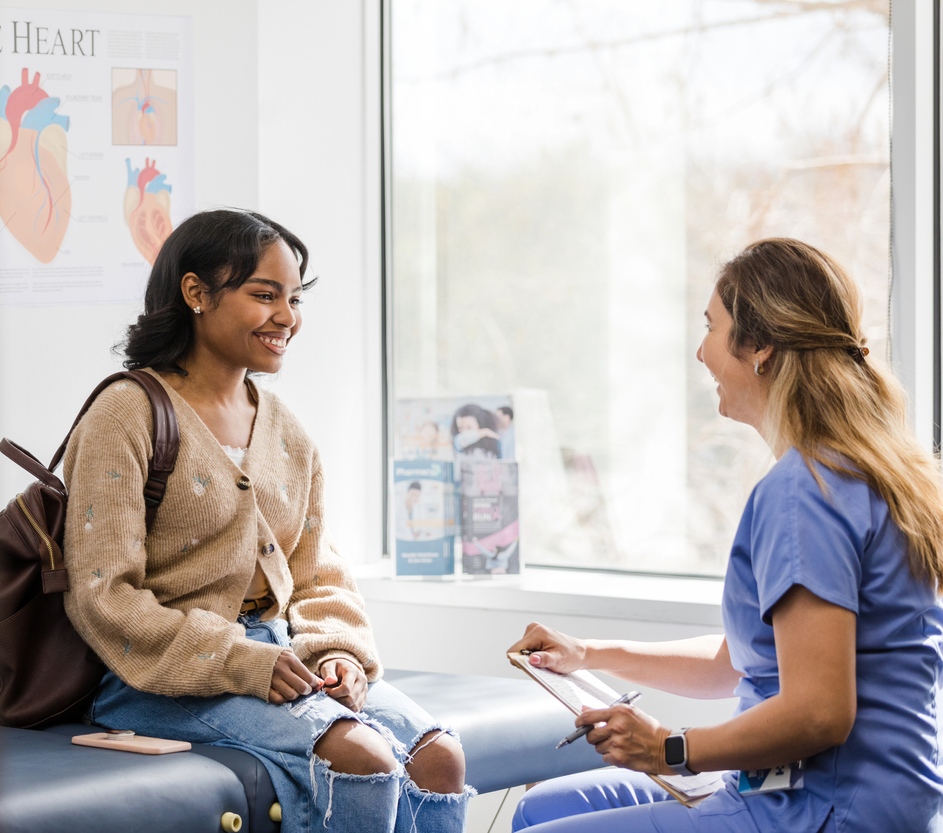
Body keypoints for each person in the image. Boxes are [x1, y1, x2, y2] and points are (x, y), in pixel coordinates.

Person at [508, 238, 943, 833]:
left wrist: (670, 748)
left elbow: (819, 713)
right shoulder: (851, 470)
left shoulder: (804, 492)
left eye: (712, 327)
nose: (700, 351)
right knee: (546, 807)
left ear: (760, 346)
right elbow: (742, 661)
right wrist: (589, 654)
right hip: (841, 789)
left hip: (824, 805)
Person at [62, 209, 472, 833]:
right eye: (265, 295)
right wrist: (238, 659)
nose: (287, 317)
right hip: (157, 679)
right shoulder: (125, 414)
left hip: (285, 657)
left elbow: (318, 573)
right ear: (196, 293)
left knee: (440, 758)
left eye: (294, 299)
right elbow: (103, 596)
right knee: (360, 756)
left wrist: (339, 654)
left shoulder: (285, 429)